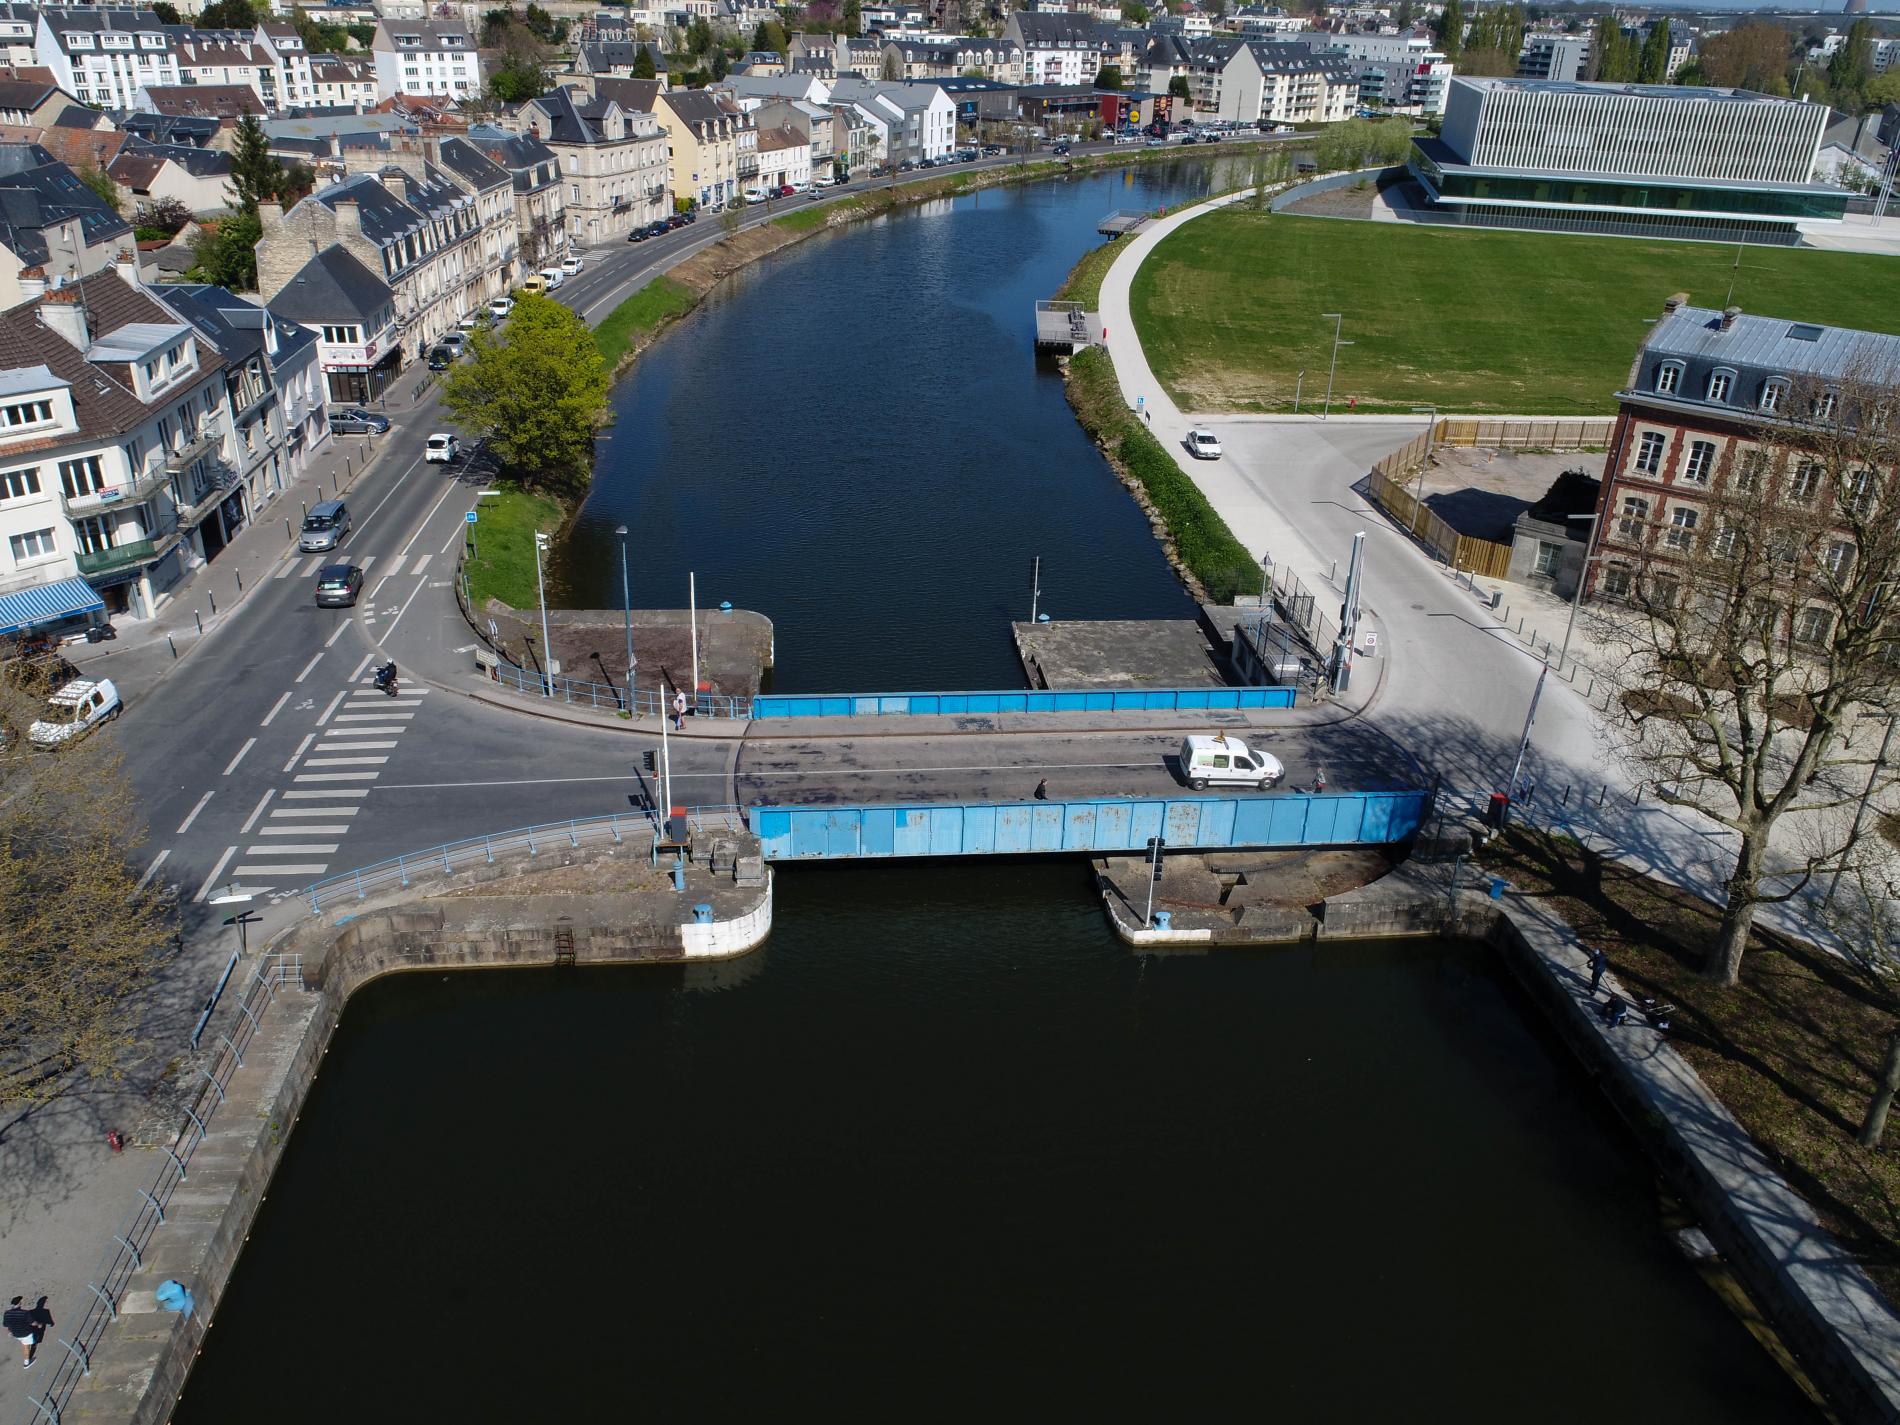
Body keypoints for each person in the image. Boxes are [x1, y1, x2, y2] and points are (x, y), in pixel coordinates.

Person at [5, 1296, 37, 1368]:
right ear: (19, 1303)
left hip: (15, 1334)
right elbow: (33, 1323)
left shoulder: (7, 1313)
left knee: (24, 1343)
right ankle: (26, 1363)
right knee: (26, 1346)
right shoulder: (25, 1313)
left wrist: (9, 1331)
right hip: (25, 1334)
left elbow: (7, 1324)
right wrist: (39, 1324)